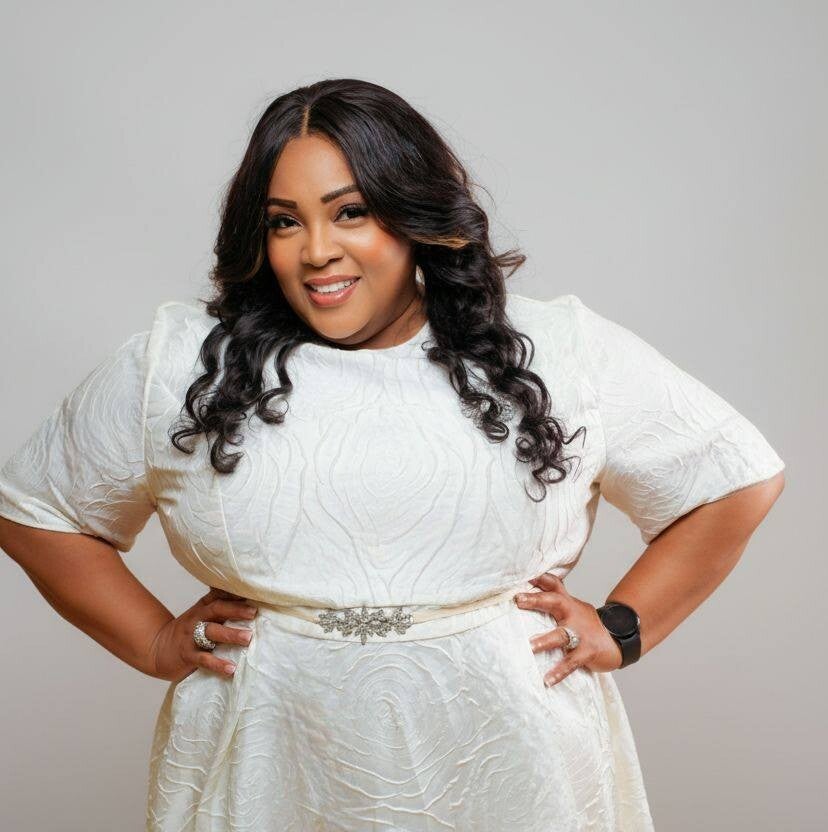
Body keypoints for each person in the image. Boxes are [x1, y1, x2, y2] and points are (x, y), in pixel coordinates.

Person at [0, 78, 785, 832]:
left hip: (512, 763)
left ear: (417, 215)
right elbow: (35, 508)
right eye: (284, 222)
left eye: (351, 213)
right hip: (270, 760)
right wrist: (152, 641)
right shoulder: (180, 365)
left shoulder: (554, 349)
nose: (316, 251)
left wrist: (624, 626)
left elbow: (732, 479)